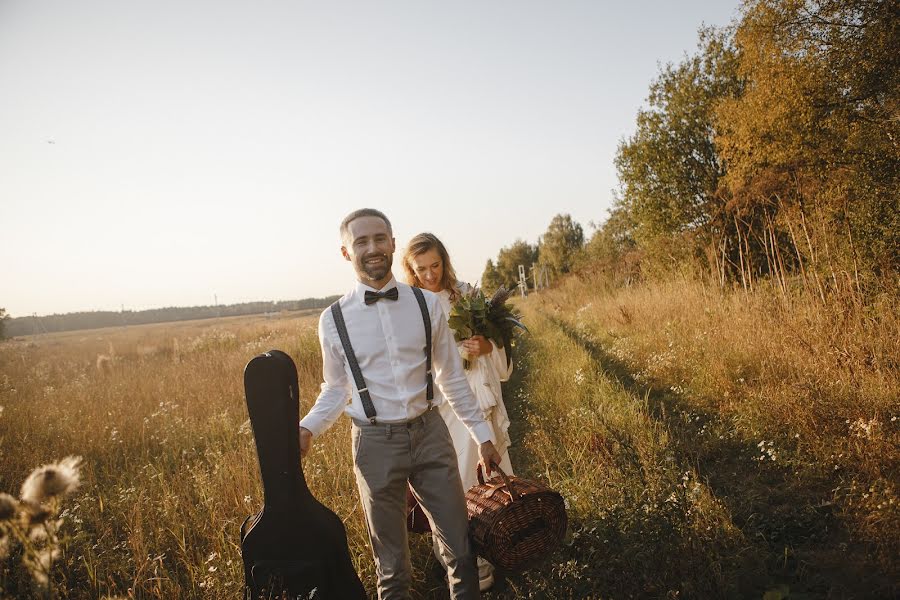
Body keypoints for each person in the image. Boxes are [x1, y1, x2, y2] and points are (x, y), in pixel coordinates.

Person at [299, 209, 501, 600]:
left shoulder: (427, 305)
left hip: (430, 433)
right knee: (392, 569)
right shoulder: (333, 319)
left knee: (460, 550)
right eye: (361, 242)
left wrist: (483, 436)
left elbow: (451, 378)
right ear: (346, 252)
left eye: (380, 238)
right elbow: (336, 389)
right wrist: (307, 428)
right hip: (374, 444)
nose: (372, 248)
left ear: (393, 244)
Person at [402, 232, 515, 592]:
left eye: (435, 265)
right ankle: (463, 562)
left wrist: (485, 347)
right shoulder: (409, 305)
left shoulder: (466, 295)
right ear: (410, 268)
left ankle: (498, 546)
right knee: (454, 485)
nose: (430, 275)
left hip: (479, 397)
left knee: (493, 478)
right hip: (440, 406)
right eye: (421, 269)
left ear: (444, 262)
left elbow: (501, 347)